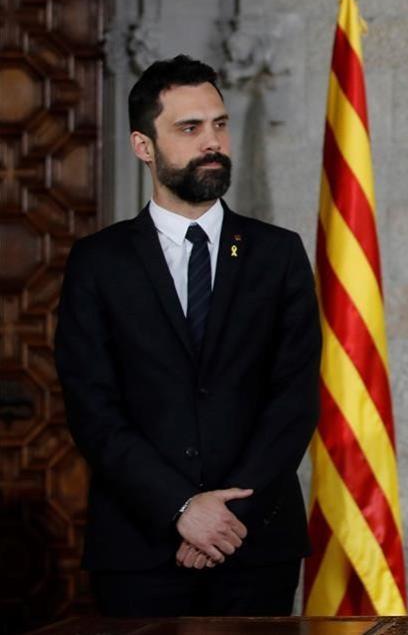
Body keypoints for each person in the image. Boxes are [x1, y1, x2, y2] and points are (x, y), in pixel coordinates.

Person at [55, 55, 320, 616]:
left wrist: (224, 520)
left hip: (255, 545)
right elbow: (93, 409)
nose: (212, 142)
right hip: (140, 546)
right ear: (142, 145)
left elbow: (293, 400)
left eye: (219, 124)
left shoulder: (278, 254)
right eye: (189, 128)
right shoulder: (98, 263)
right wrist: (181, 508)